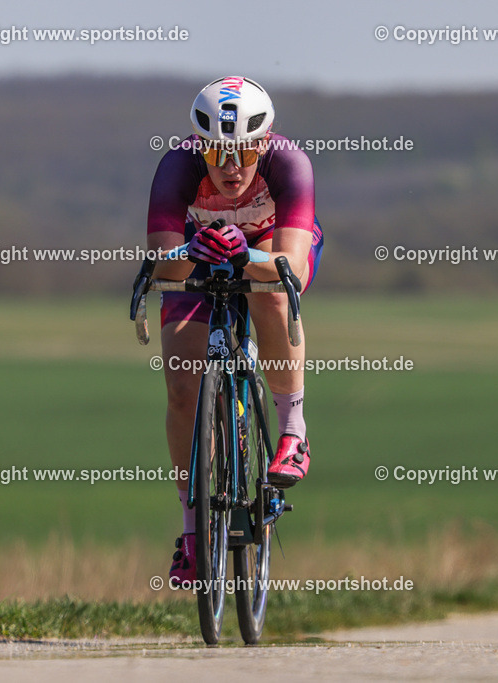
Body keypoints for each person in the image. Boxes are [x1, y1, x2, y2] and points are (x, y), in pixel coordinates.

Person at [146, 76, 324, 586]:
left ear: (263, 144)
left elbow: (294, 269)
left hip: (270, 247)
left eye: (245, 153)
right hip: (199, 249)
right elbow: (161, 264)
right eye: (217, 152)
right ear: (198, 145)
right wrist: (192, 251)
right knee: (182, 389)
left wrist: (248, 255)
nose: (230, 167)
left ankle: (293, 432)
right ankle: (193, 531)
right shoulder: (177, 166)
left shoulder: (289, 164)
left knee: (271, 294)